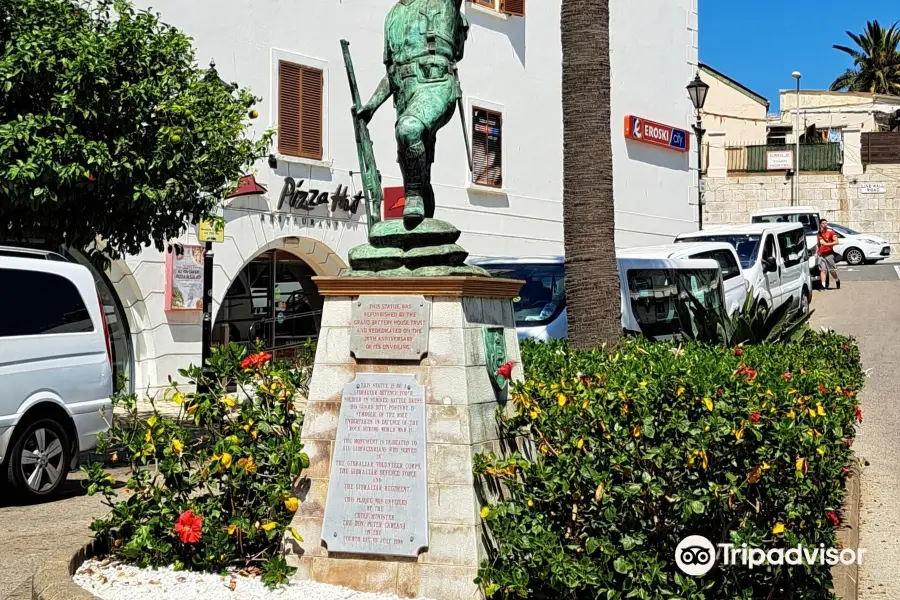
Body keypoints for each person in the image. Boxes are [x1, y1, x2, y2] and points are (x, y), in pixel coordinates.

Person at [354, 0, 468, 228]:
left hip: (436, 83)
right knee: (416, 163)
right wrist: (372, 106)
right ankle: (423, 214)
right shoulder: (393, 15)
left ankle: (413, 196)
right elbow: (393, 73)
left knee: (409, 129)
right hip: (405, 91)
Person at [817, 218, 840, 290]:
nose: (825, 225)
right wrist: (816, 252)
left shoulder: (831, 232)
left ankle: (837, 280)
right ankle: (823, 285)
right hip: (821, 254)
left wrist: (827, 244)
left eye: (826, 223)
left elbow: (837, 242)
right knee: (822, 270)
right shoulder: (819, 234)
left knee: (831, 270)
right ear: (820, 225)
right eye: (823, 223)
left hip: (829, 254)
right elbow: (818, 244)